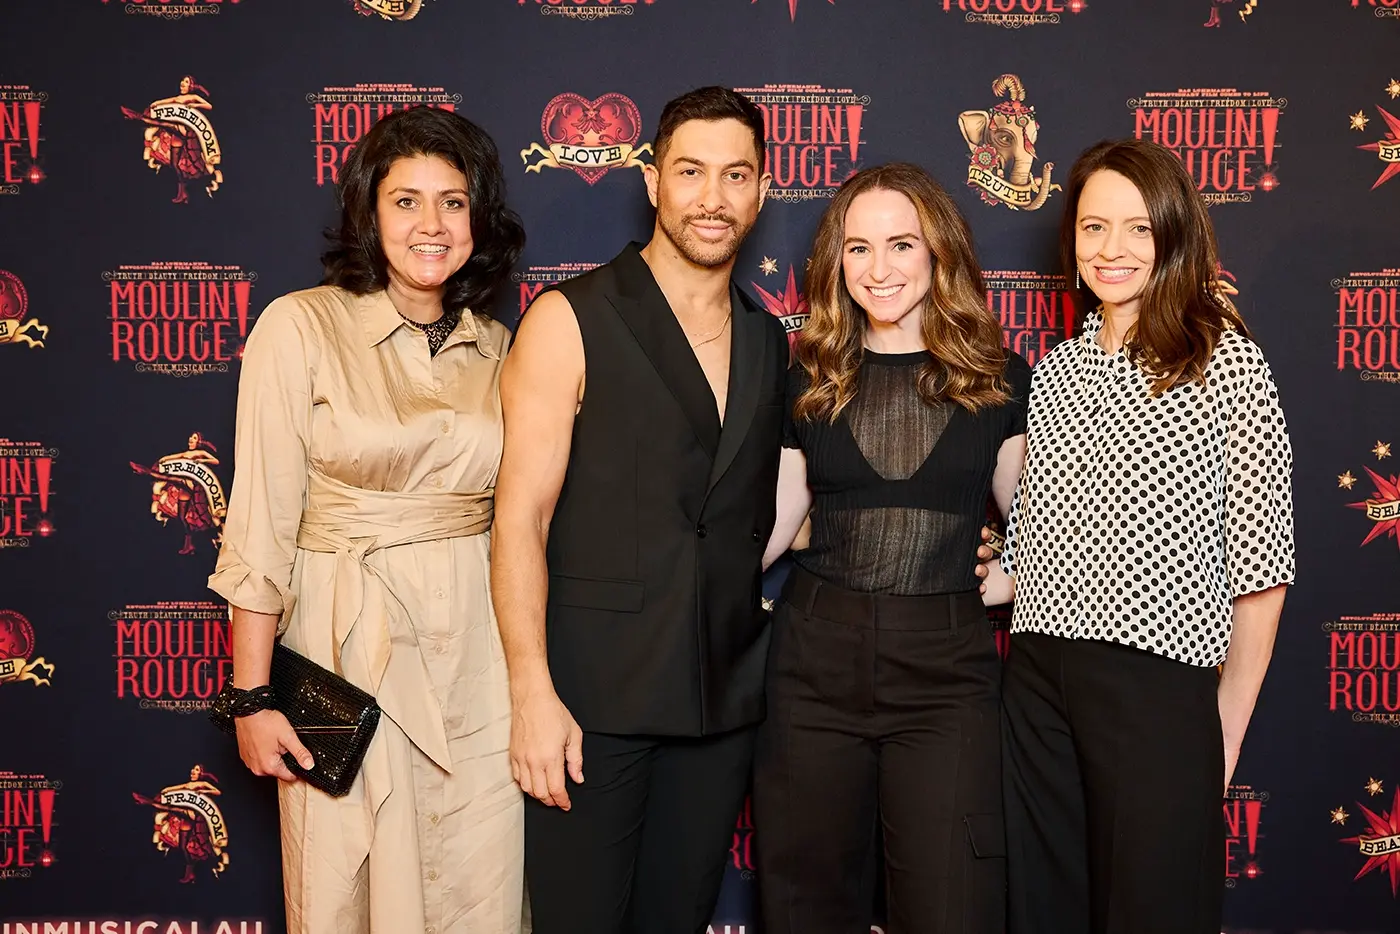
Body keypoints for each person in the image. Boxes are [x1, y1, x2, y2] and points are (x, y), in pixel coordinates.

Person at [207, 106, 528, 934]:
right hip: (345, 649)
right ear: (369, 213)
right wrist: (250, 697)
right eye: (406, 201)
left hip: (480, 659)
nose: (432, 225)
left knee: (478, 883)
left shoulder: (501, 347)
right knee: (345, 881)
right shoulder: (299, 325)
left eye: (453, 202)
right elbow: (262, 523)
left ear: (478, 218)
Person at [491, 86, 786, 934]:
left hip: (720, 705)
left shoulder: (766, 338)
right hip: (592, 704)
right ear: (653, 180)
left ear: (762, 191)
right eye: (690, 172)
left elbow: (750, 505)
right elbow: (519, 519)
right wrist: (531, 694)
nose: (712, 197)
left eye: (735, 175)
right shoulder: (571, 317)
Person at [998, 137, 1294, 934]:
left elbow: (1262, 569)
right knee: (1045, 909)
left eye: (1138, 228)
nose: (1112, 249)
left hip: (1156, 689)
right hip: (1037, 682)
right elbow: (1031, 541)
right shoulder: (1056, 371)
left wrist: (1224, 729)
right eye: (1094, 227)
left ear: (1173, 233)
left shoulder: (1227, 364)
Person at [755, 163, 1027, 934]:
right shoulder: (809, 376)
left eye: (901, 244)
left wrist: (1006, 576)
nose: (879, 269)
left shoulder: (999, 379)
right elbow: (769, 527)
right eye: (859, 248)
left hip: (947, 676)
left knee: (951, 907)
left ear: (939, 251)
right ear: (836, 261)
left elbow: (1039, 530)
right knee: (806, 907)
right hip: (813, 665)